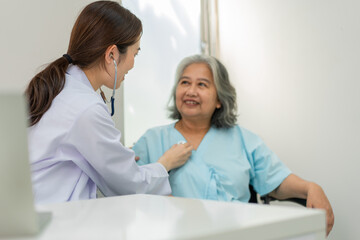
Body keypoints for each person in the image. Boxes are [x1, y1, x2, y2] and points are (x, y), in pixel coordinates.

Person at [132, 54, 334, 235]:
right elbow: (128, 187)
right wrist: (160, 164)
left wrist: (311, 187)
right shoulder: (151, 140)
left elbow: (276, 181)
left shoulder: (243, 139)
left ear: (219, 99)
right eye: (185, 82)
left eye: (202, 85)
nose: (191, 91)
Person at [25, 1, 193, 204]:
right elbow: (130, 184)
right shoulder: (85, 108)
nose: (133, 63)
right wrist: (164, 163)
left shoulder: (62, 88)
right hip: (55, 223)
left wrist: (117, 155)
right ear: (112, 54)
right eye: (135, 53)